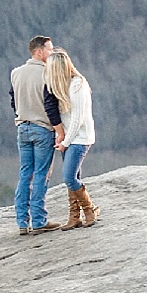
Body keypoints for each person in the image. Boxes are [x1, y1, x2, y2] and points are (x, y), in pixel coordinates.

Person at [9, 35, 63, 234]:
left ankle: (22, 222)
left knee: (25, 173)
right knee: (41, 174)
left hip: (22, 127)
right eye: (50, 49)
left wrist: (23, 114)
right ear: (39, 52)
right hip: (42, 128)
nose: (52, 52)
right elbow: (51, 106)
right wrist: (59, 130)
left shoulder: (16, 73)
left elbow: (13, 100)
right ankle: (39, 220)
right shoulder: (47, 73)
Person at [45, 48, 98, 228]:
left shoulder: (77, 85)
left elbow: (77, 119)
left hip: (79, 138)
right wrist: (60, 136)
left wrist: (65, 142)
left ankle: (90, 209)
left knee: (69, 177)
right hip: (68, 137)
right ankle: (74, 216)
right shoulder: (60, 86)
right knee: (74, 176)